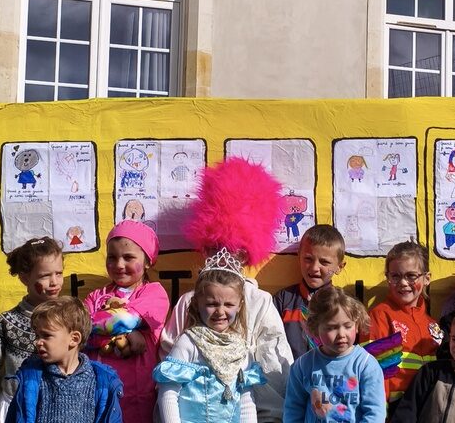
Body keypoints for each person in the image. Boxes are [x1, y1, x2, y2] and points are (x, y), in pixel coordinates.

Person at [159, 157, 294, 422]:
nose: (224, 254)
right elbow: (168, 358)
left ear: (246, 252)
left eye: (233, 248)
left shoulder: (259, 301)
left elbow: (272, 362)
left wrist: (271, 417)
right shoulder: (188, 301)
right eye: (215, 246)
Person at [154, 248, 265, 423]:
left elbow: (246, 400)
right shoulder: (189, 342)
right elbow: (168, 391)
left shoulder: (241, 349)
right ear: (197, 303)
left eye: (229, 304)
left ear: (240, 305)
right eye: (212, 304)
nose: (220, 311)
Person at [83, 220, 169, 423]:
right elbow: (77, 331)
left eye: (128, 257)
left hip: (138, 393)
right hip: (99, 390)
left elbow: (124, 319)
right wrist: (120, 337)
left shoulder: (154, 293)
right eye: (112, 257)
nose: (119, 265)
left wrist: (96, 329)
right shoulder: (96, 296)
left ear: (147, 261)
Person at [0, 237, 64, 422]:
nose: (54, 282)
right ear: (25, 278)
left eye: (59, 273)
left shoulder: (68, 320)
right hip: (13, 408)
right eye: (45, 276)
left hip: (56, 409)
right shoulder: (6, 322)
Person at [6, 296, 123, 422]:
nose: (38, 342)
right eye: (37, 336)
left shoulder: (102, 381)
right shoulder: (31, 377)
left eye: (46, 335)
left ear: (74, 339)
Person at [283, 286, 385, 423]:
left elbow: (375, 413)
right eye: (331, 328)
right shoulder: (303, 365)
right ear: (315, 328)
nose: (341, 334)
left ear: (356, 324)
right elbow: (293, 410)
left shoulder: (366, 365)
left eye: (348, 326)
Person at [368, 241, 443, 416]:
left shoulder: (432, 324)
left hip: (428, 408)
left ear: (427, 278)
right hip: (396, 410)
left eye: (411, 276)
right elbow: (374, 370)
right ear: (387, 277)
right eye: (395, 276)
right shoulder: (380, 315)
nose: (403, 282)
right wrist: (379, 413)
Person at [273, 224, 347, 359]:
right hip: (291, 371)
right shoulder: (282, 301)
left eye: (324, 262)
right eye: (308, 259)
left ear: (339, 267)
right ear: (299, 257)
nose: (314, 268)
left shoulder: (344, 304)